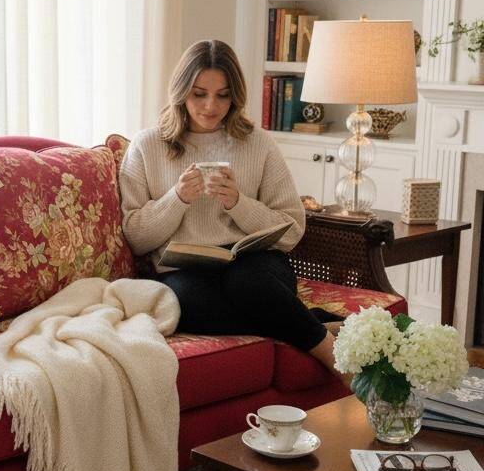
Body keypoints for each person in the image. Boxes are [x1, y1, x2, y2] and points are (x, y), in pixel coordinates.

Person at [119, 39, 342, 375]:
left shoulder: (258, 143)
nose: (211, 106)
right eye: (199, 94)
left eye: (223, 95)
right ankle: (310, 322)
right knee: (186, 305)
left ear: (235, 96)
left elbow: (292, 228)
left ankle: (330, 354)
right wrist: (177, 199)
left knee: (247, 283)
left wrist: (239, 204)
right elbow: (136, 237)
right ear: (180, 92)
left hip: (256, 266)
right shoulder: (147, 146)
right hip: (185, 271)